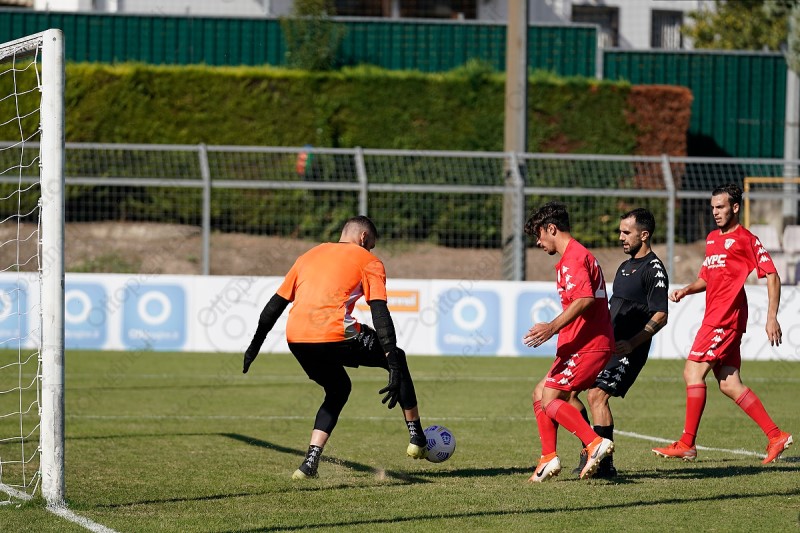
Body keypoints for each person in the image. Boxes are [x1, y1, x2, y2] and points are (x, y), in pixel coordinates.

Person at [241, 215, 428, 479]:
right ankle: (416, 436)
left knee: (338, 388)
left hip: (297, 338)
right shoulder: (369, 261)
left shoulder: (308, 256)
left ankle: (309, 463)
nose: (371, 250)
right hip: (335, 332)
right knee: (397, 356)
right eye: (371, 245)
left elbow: (274, 306)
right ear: (363, 237)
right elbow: (379, 312)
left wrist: (254, 346)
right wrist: (392, 362)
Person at [652, 183, 792, 463]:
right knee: (729, 383)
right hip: (715, 316)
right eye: (713, 207)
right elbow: (707, 277)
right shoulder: (712, 239)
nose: (715, 212)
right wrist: (686, 290)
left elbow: (772, 275)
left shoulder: (746, 239)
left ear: (735, 207)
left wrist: (771, 317)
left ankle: (687, 443)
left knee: (692, 372)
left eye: (721, 207)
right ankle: (776, 435)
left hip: (725, 319)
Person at [570, 208, 669, 478]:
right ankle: (591, 448)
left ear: (644, 235)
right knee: (569, 394)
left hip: (628, 349)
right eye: (620, 231)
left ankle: (605, 464)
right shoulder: (625, 267)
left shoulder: (654, 269)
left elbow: (661, 315)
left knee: (597, 396)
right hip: (606, 345)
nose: (620, 237)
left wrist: (633, 343)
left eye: (626, 232)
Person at [523, 201, 616, 482]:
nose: (538, 242)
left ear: (552, 228)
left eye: (539, 234)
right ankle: (548, 458)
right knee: (540, 393)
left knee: (551, 399)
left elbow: (585, 298)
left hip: (588, 344)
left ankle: (594, 443)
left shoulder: (574, 257)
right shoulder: (572, 257)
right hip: (579, 343)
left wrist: (551, 327)